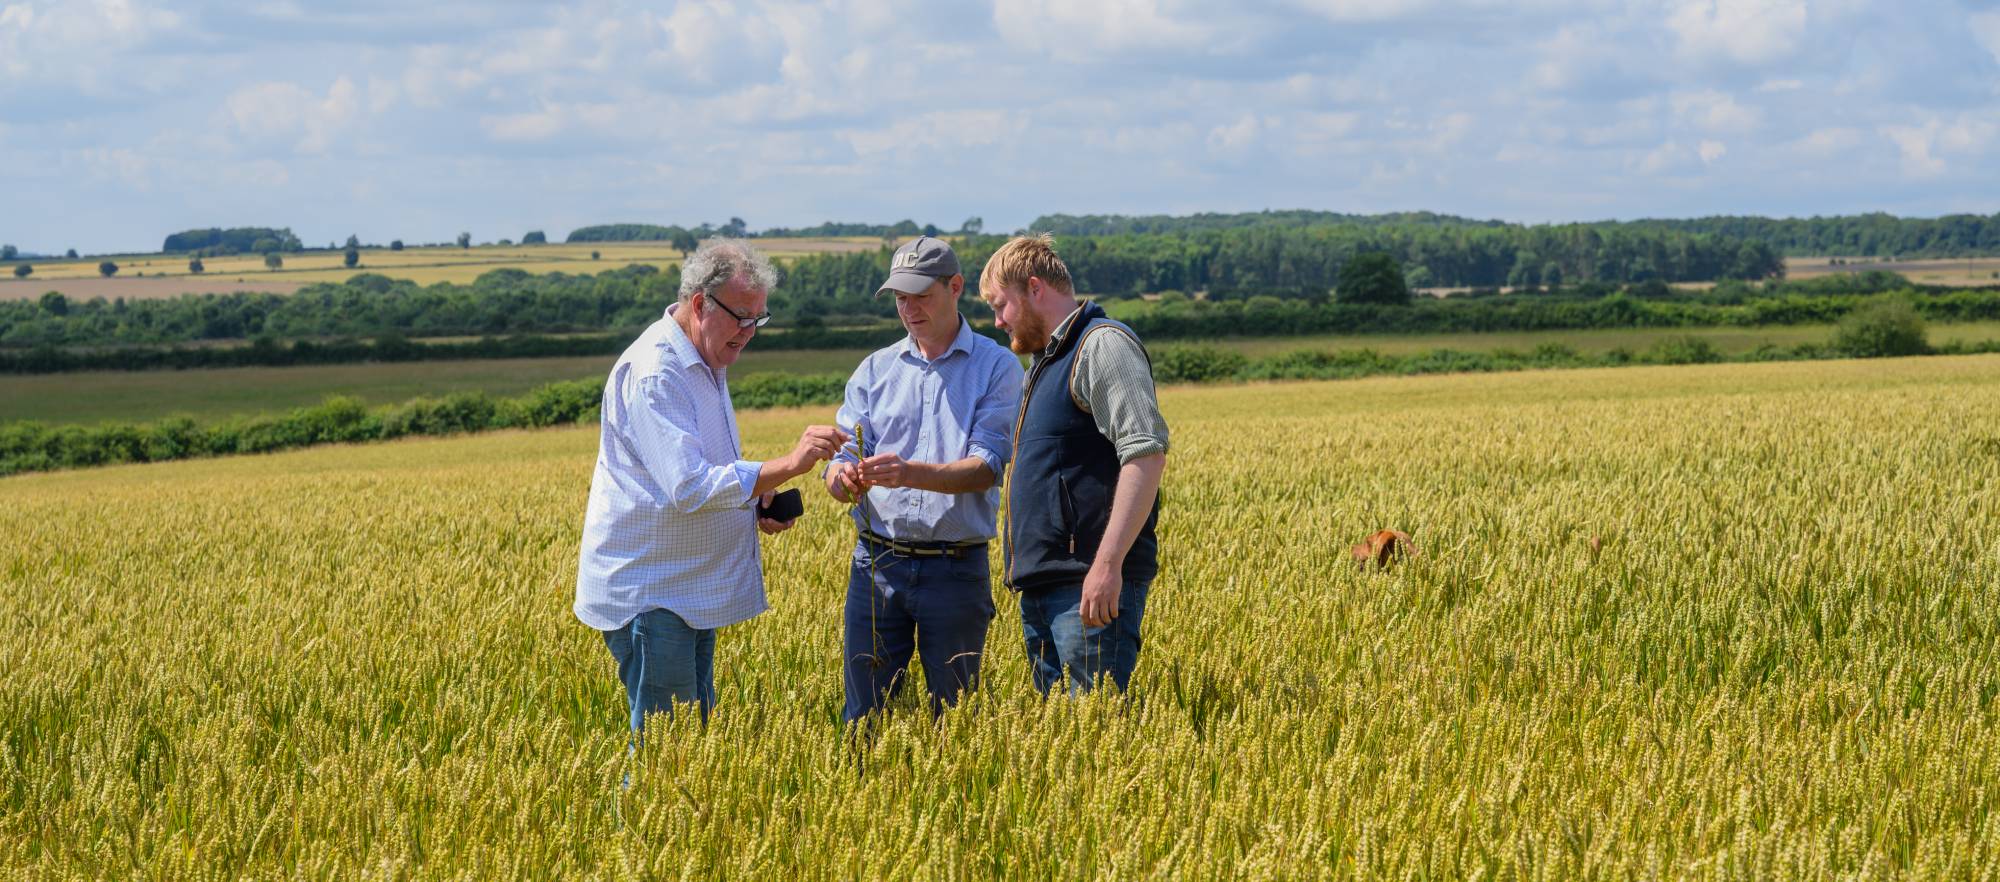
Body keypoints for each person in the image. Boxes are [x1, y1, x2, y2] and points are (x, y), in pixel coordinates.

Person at [576, 238, 848, 735]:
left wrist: (759, 497)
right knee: (668, 752)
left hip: (687, 591)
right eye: (743, 317)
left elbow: (705, 468)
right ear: (701, 304)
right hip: (655, 595)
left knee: (690, 745)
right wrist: (788, 465)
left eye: (758, 320)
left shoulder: (704, 357)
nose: (749, 333)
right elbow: (689, 486)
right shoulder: (658, 371)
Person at [825, 236, 1024, 721]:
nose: (909, 308)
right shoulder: (874, 370)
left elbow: (986, 467)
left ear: (955, 287)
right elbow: (845, 450)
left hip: (955, 570)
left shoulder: (997, 367)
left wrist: (908, 473)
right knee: (863, 720)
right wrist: (839, 476)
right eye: (900, 297)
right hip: (876, 562)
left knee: (954, 722)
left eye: (921, 295)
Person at [978, 233, 1168, 695]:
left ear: (1035, 288)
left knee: (1097, 728)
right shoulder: (1047, 361)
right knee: (1065, 738)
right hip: (1047, 586)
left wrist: (1107, 566)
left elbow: (1145, 453)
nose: (998, 321)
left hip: (1086, 587)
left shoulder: (1101, 346)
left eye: (1001, 306)